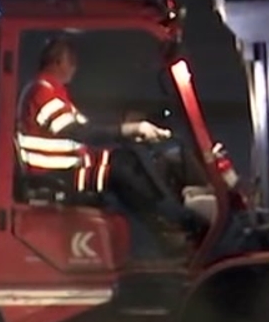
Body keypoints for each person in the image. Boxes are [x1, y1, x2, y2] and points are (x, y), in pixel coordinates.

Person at [16, 36, 205, 238]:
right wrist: (127, 129)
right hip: (54, 175)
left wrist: (128, 130)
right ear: (58, 62)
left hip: (65, 166)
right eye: (72, 63)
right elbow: (80, 132)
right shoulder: (42, 92)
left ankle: (169, 223)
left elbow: (86, 128)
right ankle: (174, 225)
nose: (74, 69)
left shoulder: (52, 91)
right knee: (120, 170)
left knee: (127, 158)